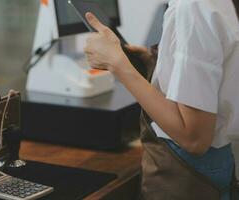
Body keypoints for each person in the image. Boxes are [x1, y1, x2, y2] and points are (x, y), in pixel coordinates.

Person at [84, 0, 239, 199]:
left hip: (187, 173)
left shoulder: (193, 7)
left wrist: (119, 65)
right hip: (215, 164)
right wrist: (159, 64)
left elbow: (194, 139)